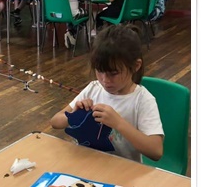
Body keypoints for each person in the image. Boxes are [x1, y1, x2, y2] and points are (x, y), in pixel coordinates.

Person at [50, 24, 164, 163]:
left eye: (113, 73)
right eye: (99, 71)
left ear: (136, 66)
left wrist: (118, 123)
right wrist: (74, 115)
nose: (105, 80)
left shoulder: (142, 100)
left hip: (122, 169)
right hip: (88, 162)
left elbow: (156, 150)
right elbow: (55, 121)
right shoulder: (93, 88)